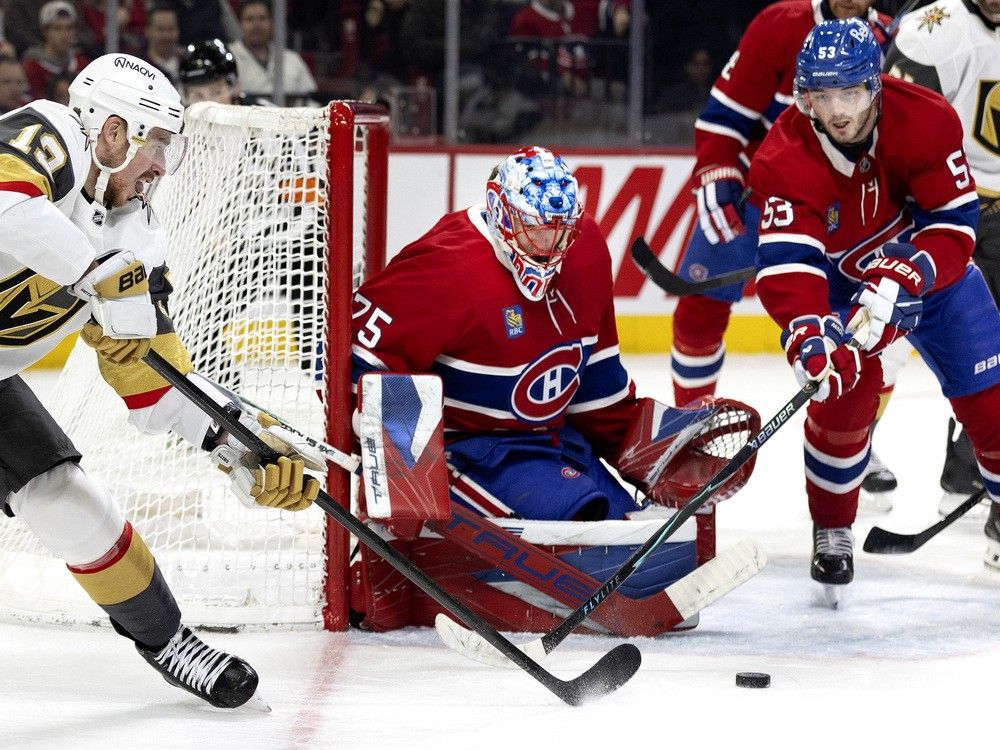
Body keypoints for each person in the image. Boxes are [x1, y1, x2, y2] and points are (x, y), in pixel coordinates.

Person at [0, 52, 321, 708]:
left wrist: (239, 444)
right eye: (157, 148)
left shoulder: (138, 242)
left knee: (68, 499)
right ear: (113, 133)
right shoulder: (51, 133)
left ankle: (168, 640)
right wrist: (95, 268)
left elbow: (153, 383)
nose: (160, 170)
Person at [349, 147, 758, 630]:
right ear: (502, 213)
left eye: (563, 229)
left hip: (557, 443)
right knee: (599, 537)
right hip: (476, 452)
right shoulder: (446, 265)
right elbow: (356, 353)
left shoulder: (585, 249)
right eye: (538, 228)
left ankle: (537, 572)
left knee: (648, 540)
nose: (552, 245)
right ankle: (440, 574)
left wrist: (642, 439)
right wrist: (393, 450)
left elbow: (596, 384)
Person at [750, 18, 1000, 598]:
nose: (837, 110)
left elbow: (953, 222)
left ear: (875, 86)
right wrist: (809, 333)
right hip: (843, 296)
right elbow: (791, 266)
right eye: (822, 94)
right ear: (804, 95)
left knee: (991, 399)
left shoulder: (928, 119)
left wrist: (906, 272)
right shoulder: (782, 157)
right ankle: (833, 527)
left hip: (932, 282)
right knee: (841, 397)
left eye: (851, 92)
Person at [668, 0, 902, 510]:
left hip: (847, 204)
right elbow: (725, 114)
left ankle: (856, 435)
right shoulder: (780, 24)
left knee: (861, 327)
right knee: (698, 312)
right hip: (760, 189)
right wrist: (715, 169)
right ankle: (690, 434)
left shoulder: (892, 35)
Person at [883, 0, 1000, 518]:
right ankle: (851, 455)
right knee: (967, 349)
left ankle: (969, 465)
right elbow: (897, 132)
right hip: (955, 212)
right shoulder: (937, 28)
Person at [228, 0, 317, 106]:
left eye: (262, 18)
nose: (257, 25)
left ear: (271, 23)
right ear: (240, 24)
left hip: (290, 121)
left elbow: (312, 102)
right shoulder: (228, 57)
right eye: (250, 19)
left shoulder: (292, 59)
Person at [21, 0, 89, 99]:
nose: (64, 34)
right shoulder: (32, 67)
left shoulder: (82, 63)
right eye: (57, 28)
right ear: (45, 31)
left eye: (69, 28)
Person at [140, 3, 182, 83]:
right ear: (147, 31)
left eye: (171, 29)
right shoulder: (139, 68)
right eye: (160, 29)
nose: (166, 36)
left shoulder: (188, 64)